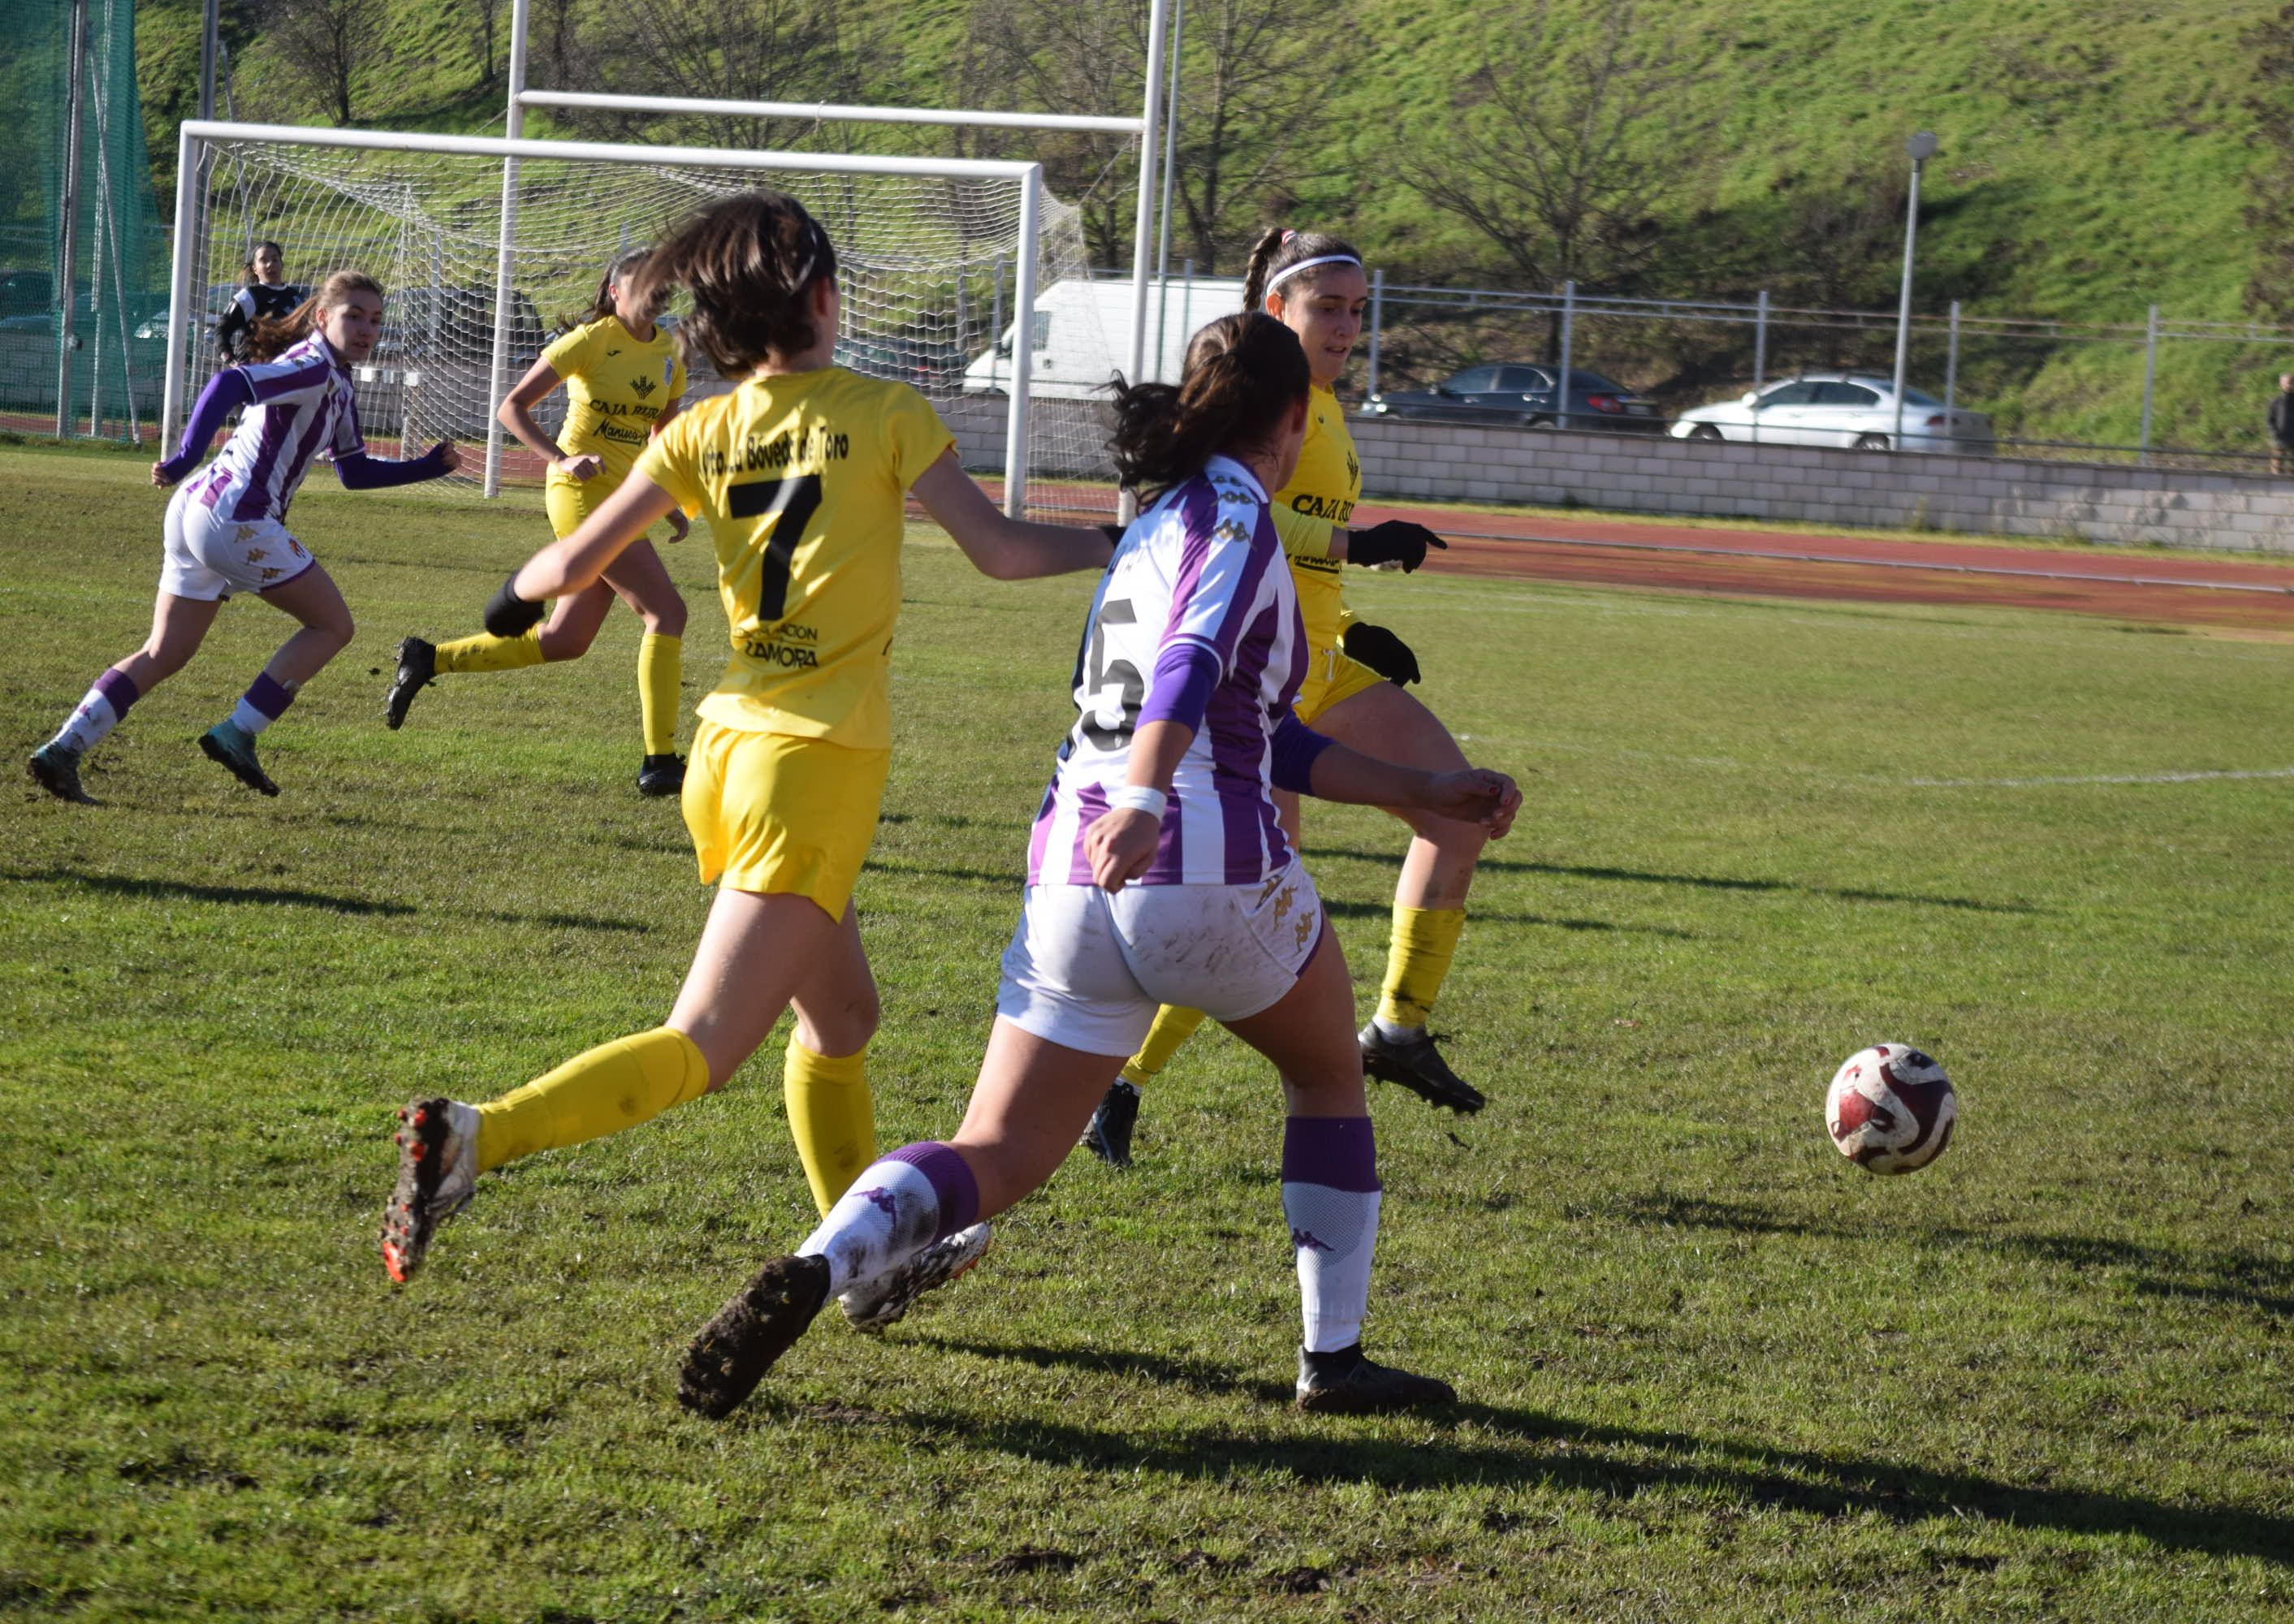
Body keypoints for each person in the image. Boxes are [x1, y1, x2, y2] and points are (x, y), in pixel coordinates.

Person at [674, 311, 1523, 1421]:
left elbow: (1256, 727)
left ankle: (824, 1264)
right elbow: (1189, 664)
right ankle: (1334, 1358)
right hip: (1191, 862)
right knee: (1325, 1074)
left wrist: (1417, 792)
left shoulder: (1151, 520)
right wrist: (1143, 799)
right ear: (1294, 418)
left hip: (1069, 884)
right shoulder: (1235, 517)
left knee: (996, 1148)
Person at [378, 192, 1116, 1318]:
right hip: (812, 763)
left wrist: (516, 593)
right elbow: (1004, 552)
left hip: (729, 749)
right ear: (825, 298)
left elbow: (568, 563)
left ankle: (872, 1264)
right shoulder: (885, 411)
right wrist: (1124, 538)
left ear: (714, 328)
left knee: (843, 1023)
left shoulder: (698, 430)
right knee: (704, 1045)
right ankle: (481, 1136)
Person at [1081, 226, 1490, 1168]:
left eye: (1357, 308)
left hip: (1320, 658)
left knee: (1458, 807)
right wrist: (1362, 542)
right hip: (1256, 672)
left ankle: (1396, 1028)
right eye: (1327, 307)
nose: (1347, 324)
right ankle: (1122, 1076)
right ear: (1277, 309)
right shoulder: (1259, 403)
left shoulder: (1327, 406)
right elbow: (1238, 515)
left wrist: (1351, 624)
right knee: (1254, 892)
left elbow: (1297, 543)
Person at [28, 270, 456, 806]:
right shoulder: (312, 366)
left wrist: (425, 467)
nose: (368, 329)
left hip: (198, 511)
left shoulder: (336, 382)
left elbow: (354, 472)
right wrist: (183, 455)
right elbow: (228, 383)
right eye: (354, 316)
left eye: (375, 319)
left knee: (164, 652)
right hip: (236, 518)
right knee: (332, 625)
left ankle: (63, 750)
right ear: (323, 318)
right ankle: (239, 731)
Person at [382, 248, 696, 795]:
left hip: (623, 499)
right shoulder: (590, 340)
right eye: (640, 283)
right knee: (666, 613)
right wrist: (562, 459)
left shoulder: (670, 353)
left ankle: (429, 658)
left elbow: (660, 439)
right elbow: (512, 408)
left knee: (565, 640)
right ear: (615, 292)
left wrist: (666, 497)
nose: (654, 291)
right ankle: (661, 761)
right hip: (579, 492)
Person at [215, 241, 309, 365]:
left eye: (275, 259)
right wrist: (230, 360)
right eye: (263, 260)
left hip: (288, 370)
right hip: (256, 371)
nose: (270, 264)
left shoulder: (296, 297)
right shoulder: (249, 296)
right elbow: (222, 330)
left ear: (281, 264)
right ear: (254, 268)